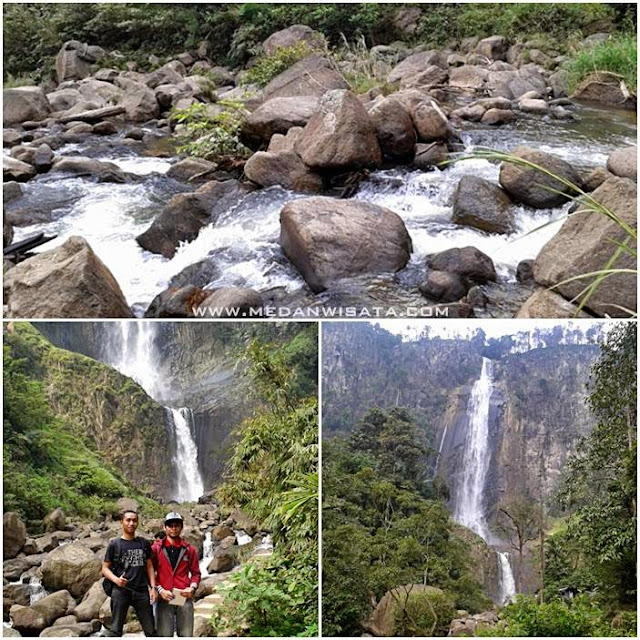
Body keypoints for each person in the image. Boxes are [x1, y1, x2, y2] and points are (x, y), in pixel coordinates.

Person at [101, 510, 157, 637]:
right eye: (128, 520)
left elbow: (149, 566)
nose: (131, 523)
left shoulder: (143, 543)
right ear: (122, 522)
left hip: (141, 590)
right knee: (115, 630)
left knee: (151, 631)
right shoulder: (114, 544)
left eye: (134, 520)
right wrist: (116, 580)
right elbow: (104, 568)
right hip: (121, 591)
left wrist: (153, 588)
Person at [152, 512, 201, 637]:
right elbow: (150, 573)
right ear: (165, 527)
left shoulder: (190, 550)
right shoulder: (156, 549)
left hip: (183, 597)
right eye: (170, 525)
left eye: (177, 525)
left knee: (186, 635)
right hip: (164, 597)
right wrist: (160, 589)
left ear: (181, 527)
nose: (173, 528)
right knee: (164, 635)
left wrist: (192, 587)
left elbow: (196, 573)